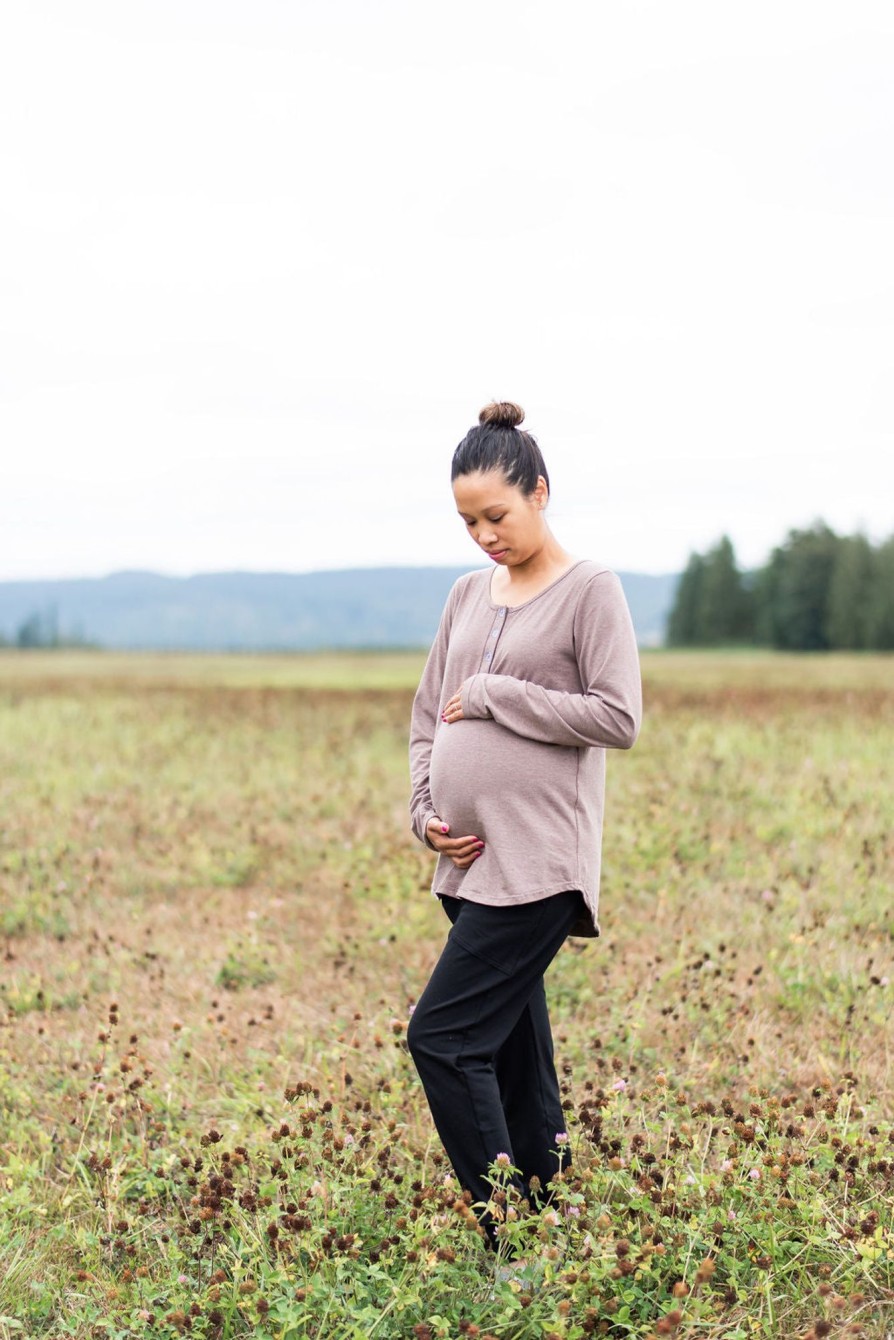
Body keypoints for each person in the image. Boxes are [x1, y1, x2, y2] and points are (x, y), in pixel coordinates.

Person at [406, 400, 642, 1247]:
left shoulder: (591, 591)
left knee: (442, 1038)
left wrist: (503, 696)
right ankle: (551, 1221)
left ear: (540, 492)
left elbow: (618, 716)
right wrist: (426, 813)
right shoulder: (466, 595)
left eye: (496, 515)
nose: (483, 535)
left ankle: (504, 1236)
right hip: (468, 869)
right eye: (468, 520)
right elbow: (429, 716)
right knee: (510, 1050)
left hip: (540, 865)